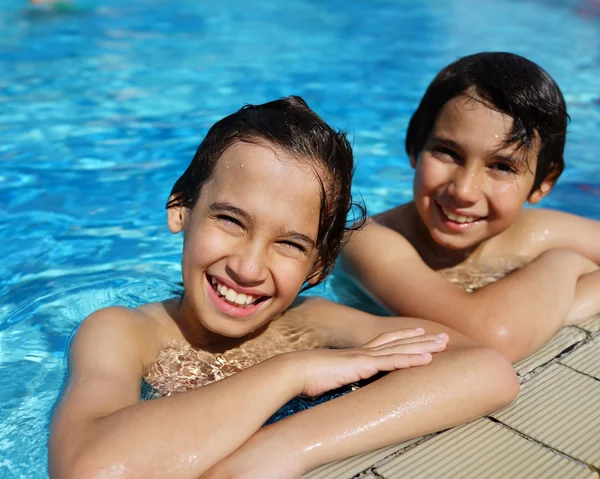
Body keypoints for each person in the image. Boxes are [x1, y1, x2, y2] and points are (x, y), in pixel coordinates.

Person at [48, 96, 518, 479]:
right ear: (181, 209)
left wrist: (286, 446)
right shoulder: (123, 333)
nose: (249, 268)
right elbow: (91, 467)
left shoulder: (310, 322)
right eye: (231, 220)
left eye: (290, 245)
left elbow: (485, 369)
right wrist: (292, 373)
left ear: (319, 265)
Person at [341, 52, 600, 364]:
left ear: (544, 183)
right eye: (448, 152)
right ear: (414, 148)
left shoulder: (533, 232)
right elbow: (492, 338)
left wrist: (560, 308)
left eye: (502, 167)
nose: (464, 191)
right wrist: (564, 264)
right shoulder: (368, 240)